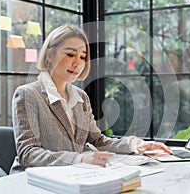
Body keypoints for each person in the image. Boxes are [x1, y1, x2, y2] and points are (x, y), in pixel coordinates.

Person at [10, 25, 172, 173]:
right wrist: (79, 158)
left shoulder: (81, 97)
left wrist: (136, 144)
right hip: (33, 180)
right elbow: (28, 153)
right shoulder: (27, 94)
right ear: (50, 55)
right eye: (70, 54)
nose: (77, 63)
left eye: (82, 57)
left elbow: (98, 141)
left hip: (75, 177)